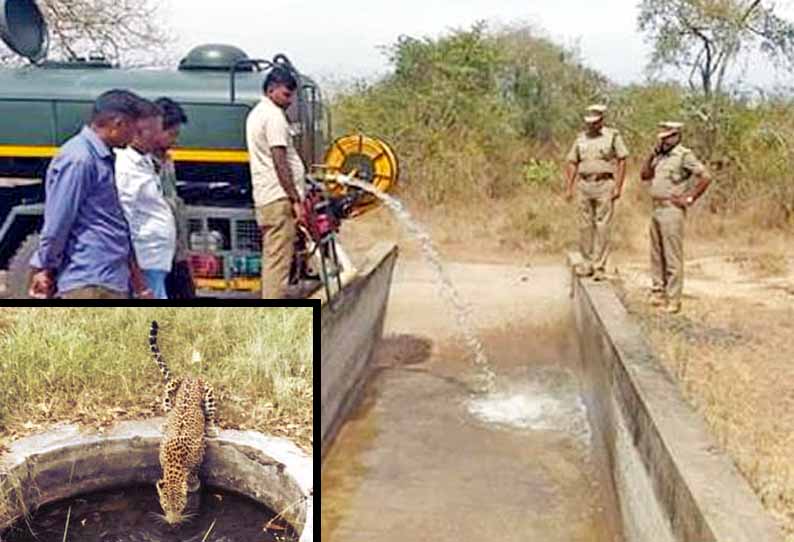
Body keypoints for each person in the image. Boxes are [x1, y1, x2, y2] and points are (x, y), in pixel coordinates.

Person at [28, 89, 153, 299]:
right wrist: (44, 266)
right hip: (88, 282)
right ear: (118, 123)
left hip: (107, 278)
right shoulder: (80, 159)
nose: (134, 137)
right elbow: (59, 221)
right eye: (134, 129)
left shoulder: (100, 157)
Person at [245, 66, 306, 299]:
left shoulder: (257, 114)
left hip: (266, 197)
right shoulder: (273, 116)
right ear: (271, 90)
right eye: (286, 94)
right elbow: (280, 160)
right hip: (278, 198)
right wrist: (295, 199)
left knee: (273, 258)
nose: (290, 101)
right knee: (278, 263)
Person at [640, 121, 711, 314]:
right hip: (656, 208)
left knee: (672, 256)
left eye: (668, 137)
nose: (664, 140)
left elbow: (705, 177)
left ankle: (673, 299)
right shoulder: (660, 156)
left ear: (677, 136)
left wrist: (690, 197)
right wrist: (651, 155)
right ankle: (658, 292)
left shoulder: (683, 156)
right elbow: (644, 175)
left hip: (672, 209)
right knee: (657, 254)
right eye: (662, 137)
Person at [115, 99, 176, 299]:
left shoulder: (145, 162)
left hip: (155, 260)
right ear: (138, 132)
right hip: (144, 261)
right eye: (155, 131)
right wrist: (137, 278)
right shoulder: (126, 167)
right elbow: (124, 222)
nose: (160, 137)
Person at [564, 104, 629, 281]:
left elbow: (622, 159)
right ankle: (587, 263)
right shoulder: (580, 138)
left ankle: (599, 266)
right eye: (589, 122)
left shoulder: (612, 136)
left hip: (604, 184)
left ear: (601, 120)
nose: (591, 125)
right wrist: (569, 187)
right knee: (585, 225)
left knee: (602, 226)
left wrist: (618, 186)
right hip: (584, 184)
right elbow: (572, 161)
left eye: (595, 122)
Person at [152, 97, 195, 299]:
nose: (175, 140)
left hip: (175, 251)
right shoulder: (140, 165)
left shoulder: (166, 161)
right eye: (172, 134)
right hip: (155, 253)